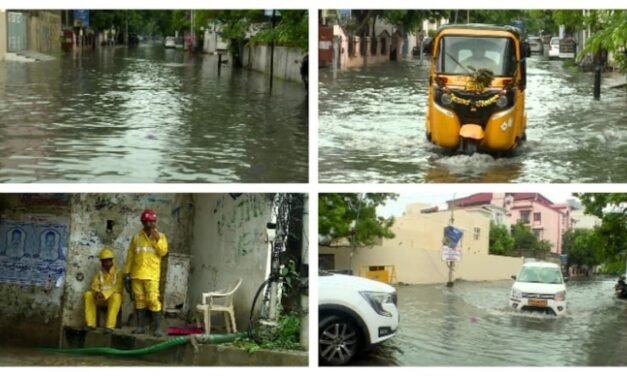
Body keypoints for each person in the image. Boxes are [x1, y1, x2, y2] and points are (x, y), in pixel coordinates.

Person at [124, 209, 168, 336]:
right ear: (143, 222)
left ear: (155, 222)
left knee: (153, 299)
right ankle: (140, 326)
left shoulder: (161, 237)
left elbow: (163, 252)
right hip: (137, 274)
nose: (149, 225)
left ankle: (158, 328)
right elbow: (130, 256)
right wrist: (127, 272)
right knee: (139, 300)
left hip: (152, 275)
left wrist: (157, 239)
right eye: (147, 222)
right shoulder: (136, 238)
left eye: (152, 222)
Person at [84, 248, 123, 333]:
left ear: (111, 261)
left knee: (117, 296)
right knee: (88, 294)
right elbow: (94, 284)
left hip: (112, 299)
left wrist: (105, 294)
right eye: (103, 261)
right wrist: (97, 292)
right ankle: (90, 324)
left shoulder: (119, 272)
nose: (105, 263)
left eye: (107, 261)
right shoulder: (99, 273)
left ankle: (109, 327)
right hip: (100, 298)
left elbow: (118, 287)